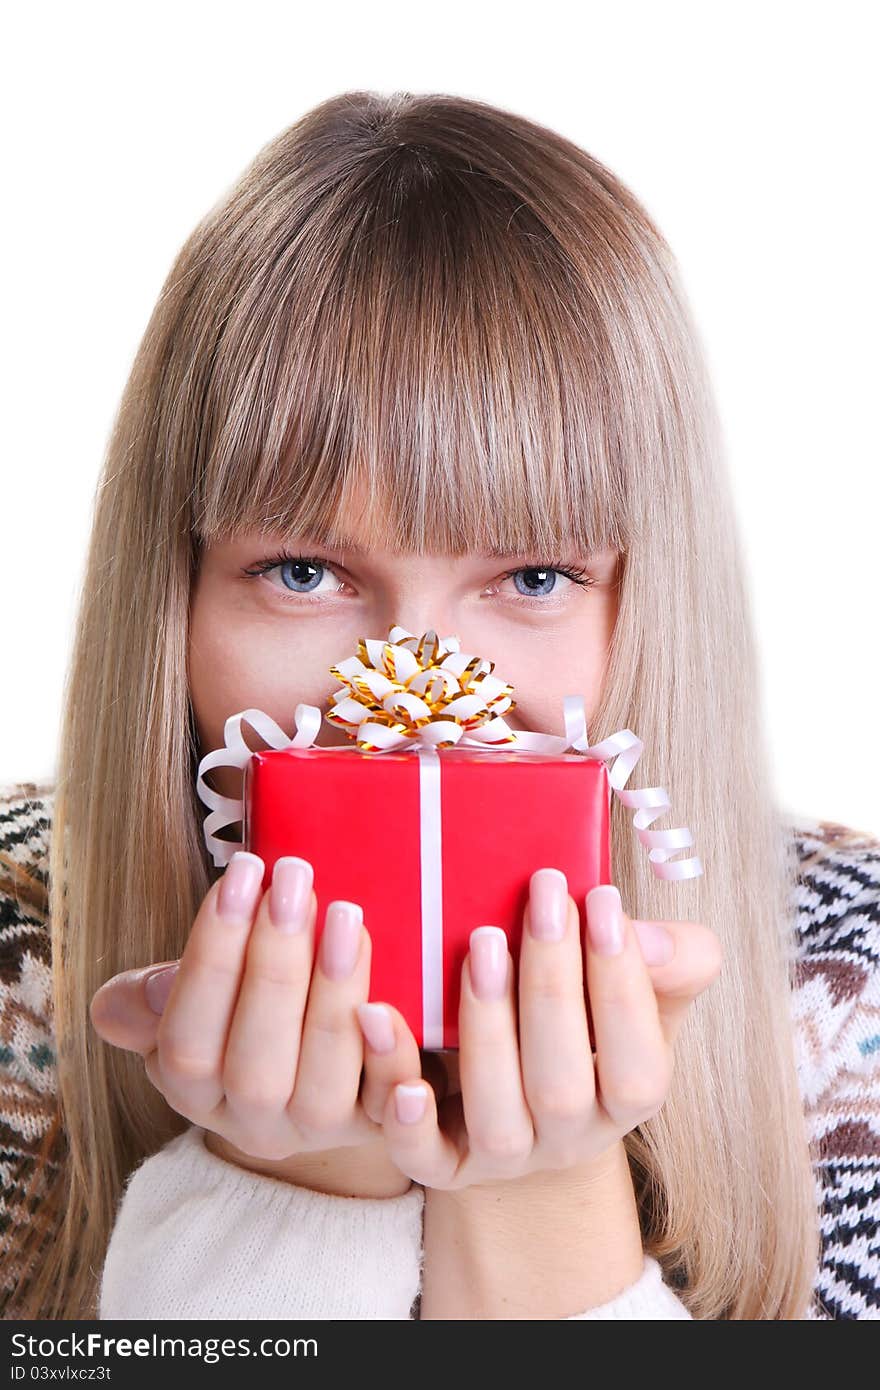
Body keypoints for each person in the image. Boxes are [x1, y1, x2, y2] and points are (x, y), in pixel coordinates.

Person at [1, 90, 878, 1321]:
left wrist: (544, 1202)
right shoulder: (13, 949)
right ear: (174, 596)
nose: (412, 691)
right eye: (302, 573)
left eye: (531, 576)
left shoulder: (857, 995)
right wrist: (282, 1198)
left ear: (647, 600)